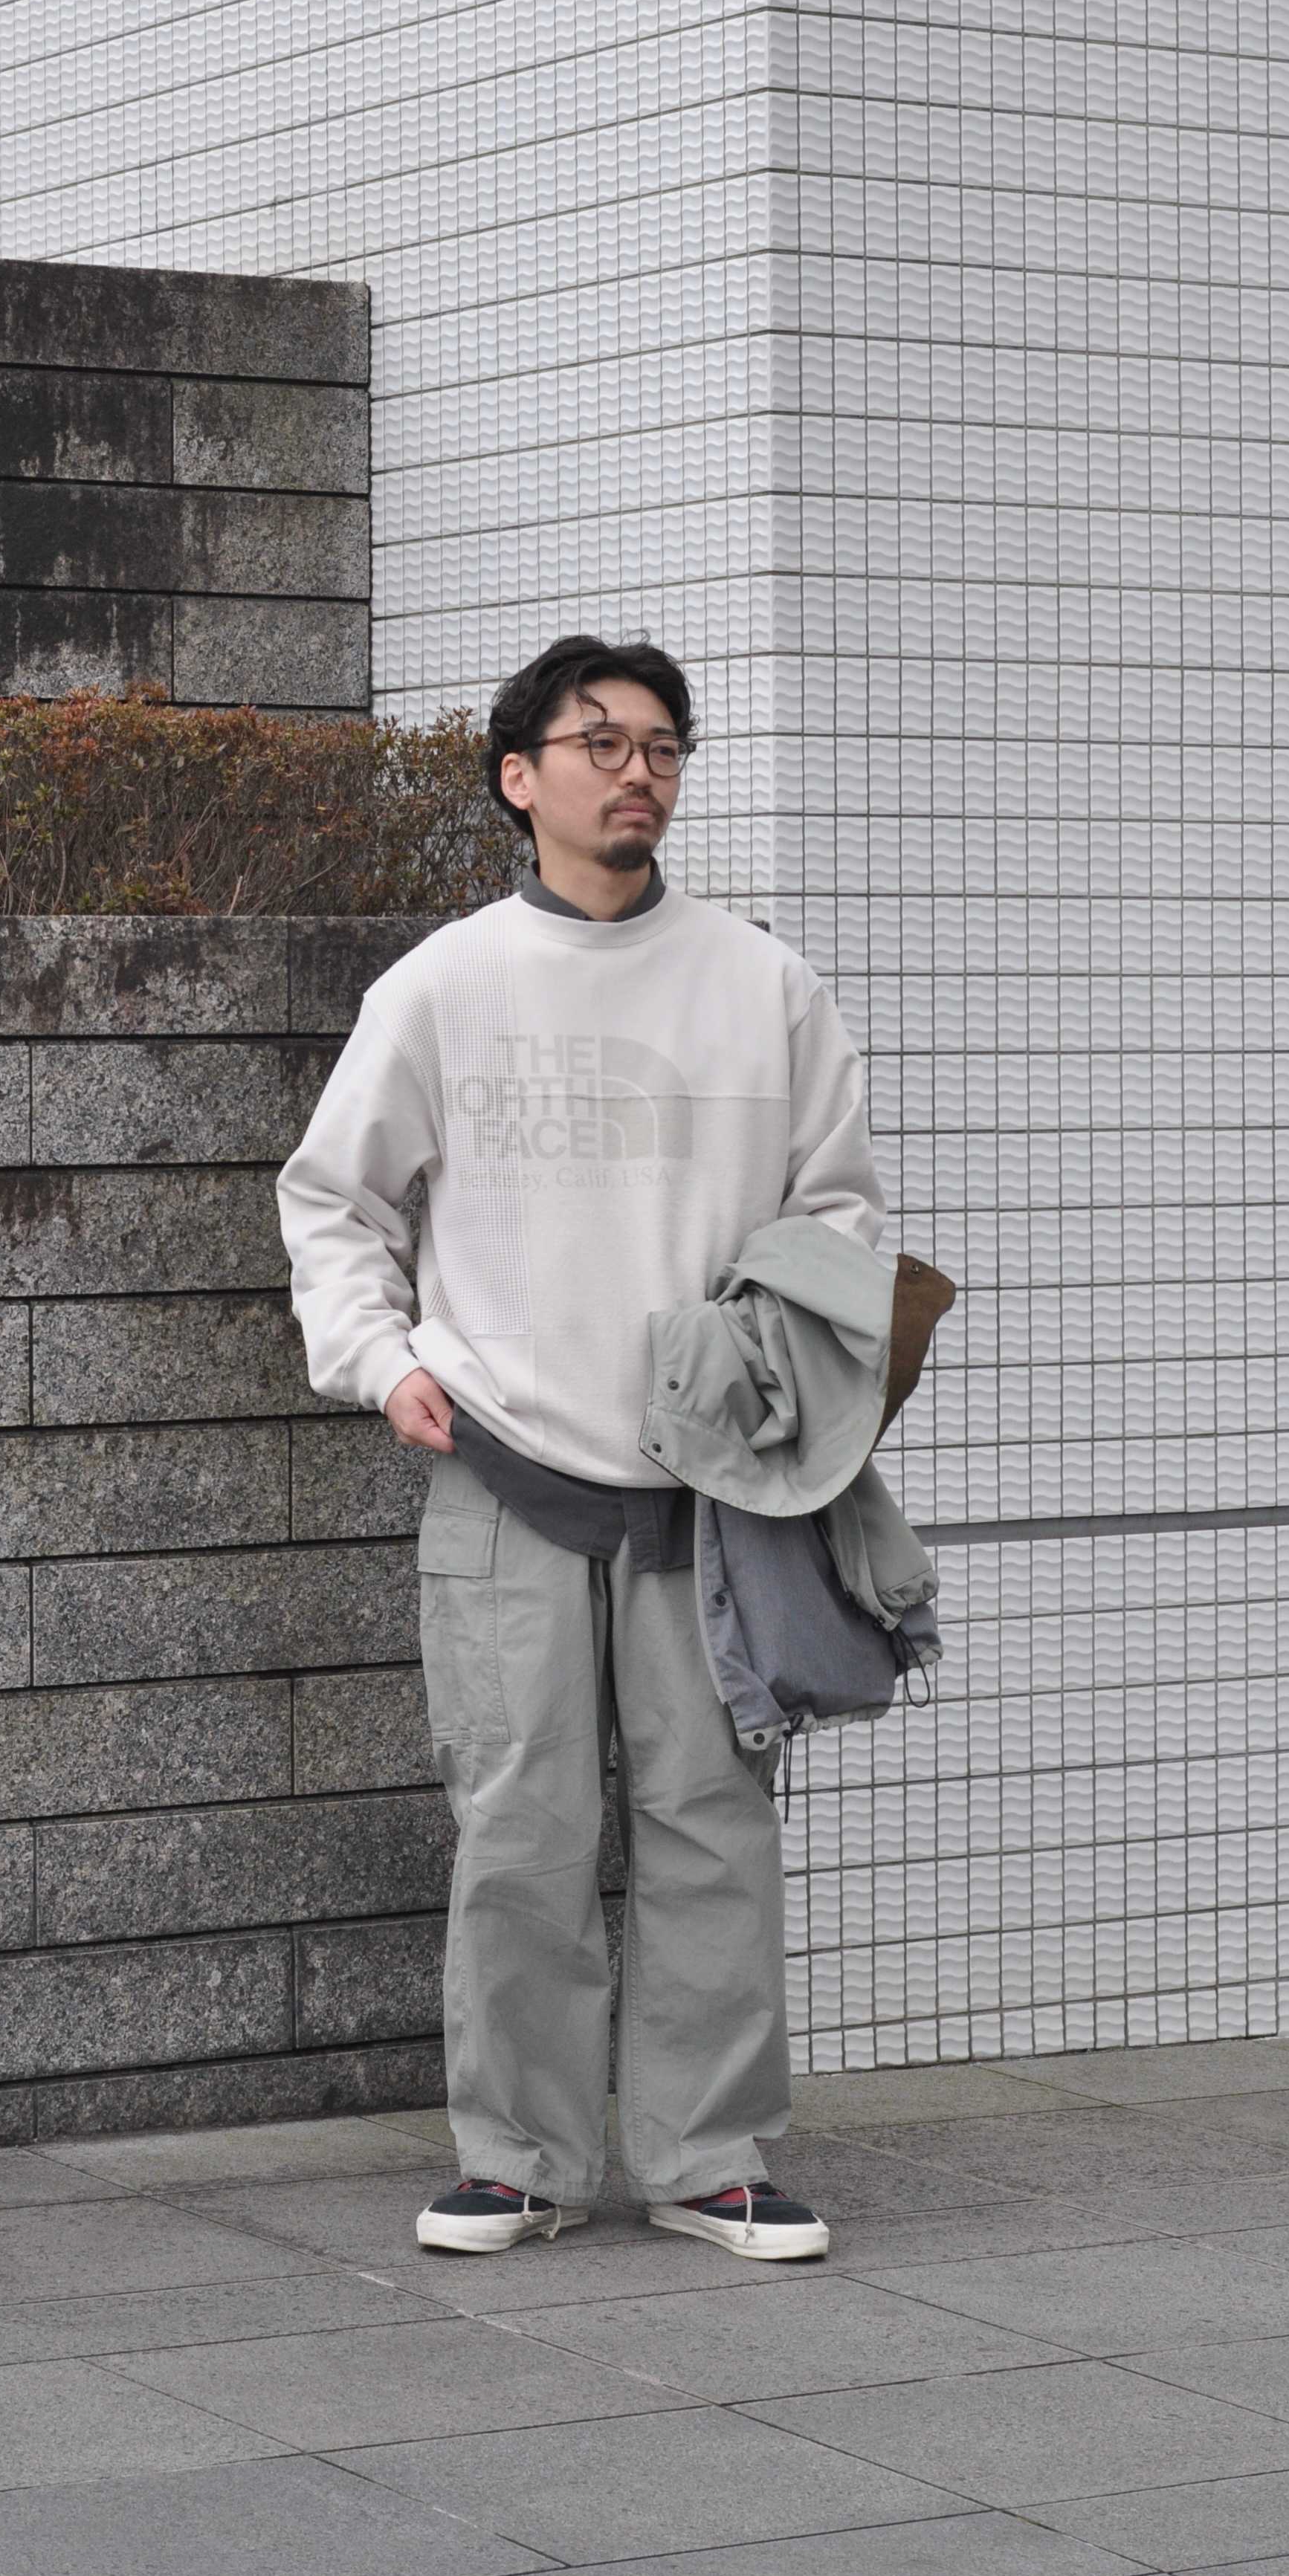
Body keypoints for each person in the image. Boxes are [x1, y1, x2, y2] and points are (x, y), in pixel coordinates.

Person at [277, 634, 886, 2260]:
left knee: (712, 1824)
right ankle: (519, 2161)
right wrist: (381, 1360)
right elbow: (331, 1200)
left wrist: (763, 1359)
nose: (638, 772)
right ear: (518, 776)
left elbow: (840, 1215)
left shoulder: (762, 986)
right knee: (519, 1831)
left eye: (663, 746)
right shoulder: (441, 985)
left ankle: (711, 2158)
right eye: (600, 742)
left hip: (715, 1489)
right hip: (502, 1472)